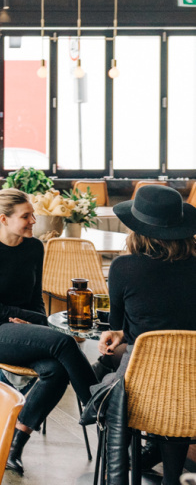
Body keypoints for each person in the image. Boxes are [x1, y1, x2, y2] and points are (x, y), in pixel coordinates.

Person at [0, 188, 98, 476]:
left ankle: (14, 445)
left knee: (56, 370)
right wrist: (31, 320)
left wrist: (34, 321)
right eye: (26, 216)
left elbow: (35, 299)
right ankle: (97, 406)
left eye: (32, 215)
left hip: (22, 328)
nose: (33, 220)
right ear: (4, 218)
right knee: (64, 343)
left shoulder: (35, 248)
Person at [97, 185, 196, 485]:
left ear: (136, 230)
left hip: (143, 391)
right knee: (179, 392)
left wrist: (121, 336)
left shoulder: (124, 268)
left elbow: (119, 326)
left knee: (112, 376)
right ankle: (171, 476)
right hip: (193, 388)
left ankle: (129, 456)